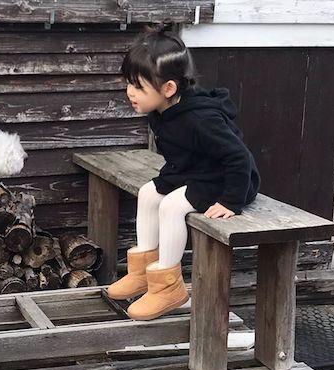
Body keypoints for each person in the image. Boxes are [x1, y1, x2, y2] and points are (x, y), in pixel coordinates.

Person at [109, 24, 260, 321]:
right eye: (128, 83)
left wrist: (231, 200)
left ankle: (169, 287)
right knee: (149, 192)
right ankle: (143, 272)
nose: (130, 93)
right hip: (193, 170)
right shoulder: (160, 110)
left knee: (172, 206)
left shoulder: (201, 120)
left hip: (225, 178)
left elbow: (239, 157)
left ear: (169, 89)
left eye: (139, 87)